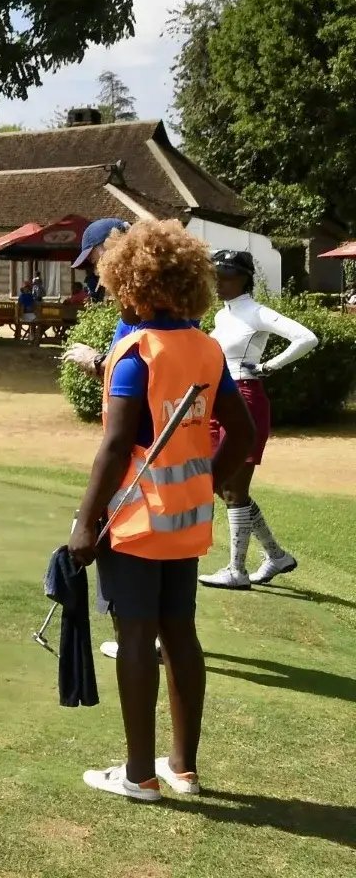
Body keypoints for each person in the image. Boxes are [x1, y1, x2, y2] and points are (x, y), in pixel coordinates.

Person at [67, 220, 252, 802]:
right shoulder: (207, 348)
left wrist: (85, 523)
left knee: (136, 636)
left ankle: (138, 774)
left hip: (136, 519)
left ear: (132, 284)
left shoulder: (134, 354)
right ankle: (183, 768)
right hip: (186, 519)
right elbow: (242, 433)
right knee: (181, 636)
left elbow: (115, 446)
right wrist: (206, 482)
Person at [199, 250, 317, 590]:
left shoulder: (256, 312)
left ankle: (237, 570)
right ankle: (275, 555)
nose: (219, 282)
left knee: (234, 487)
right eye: (216, 275)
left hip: (245, 398)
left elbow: (307, 337)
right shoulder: (222, 315)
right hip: (219, 399)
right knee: (221, 484)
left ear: (244, 278)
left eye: (227, 276)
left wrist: (268, 366)